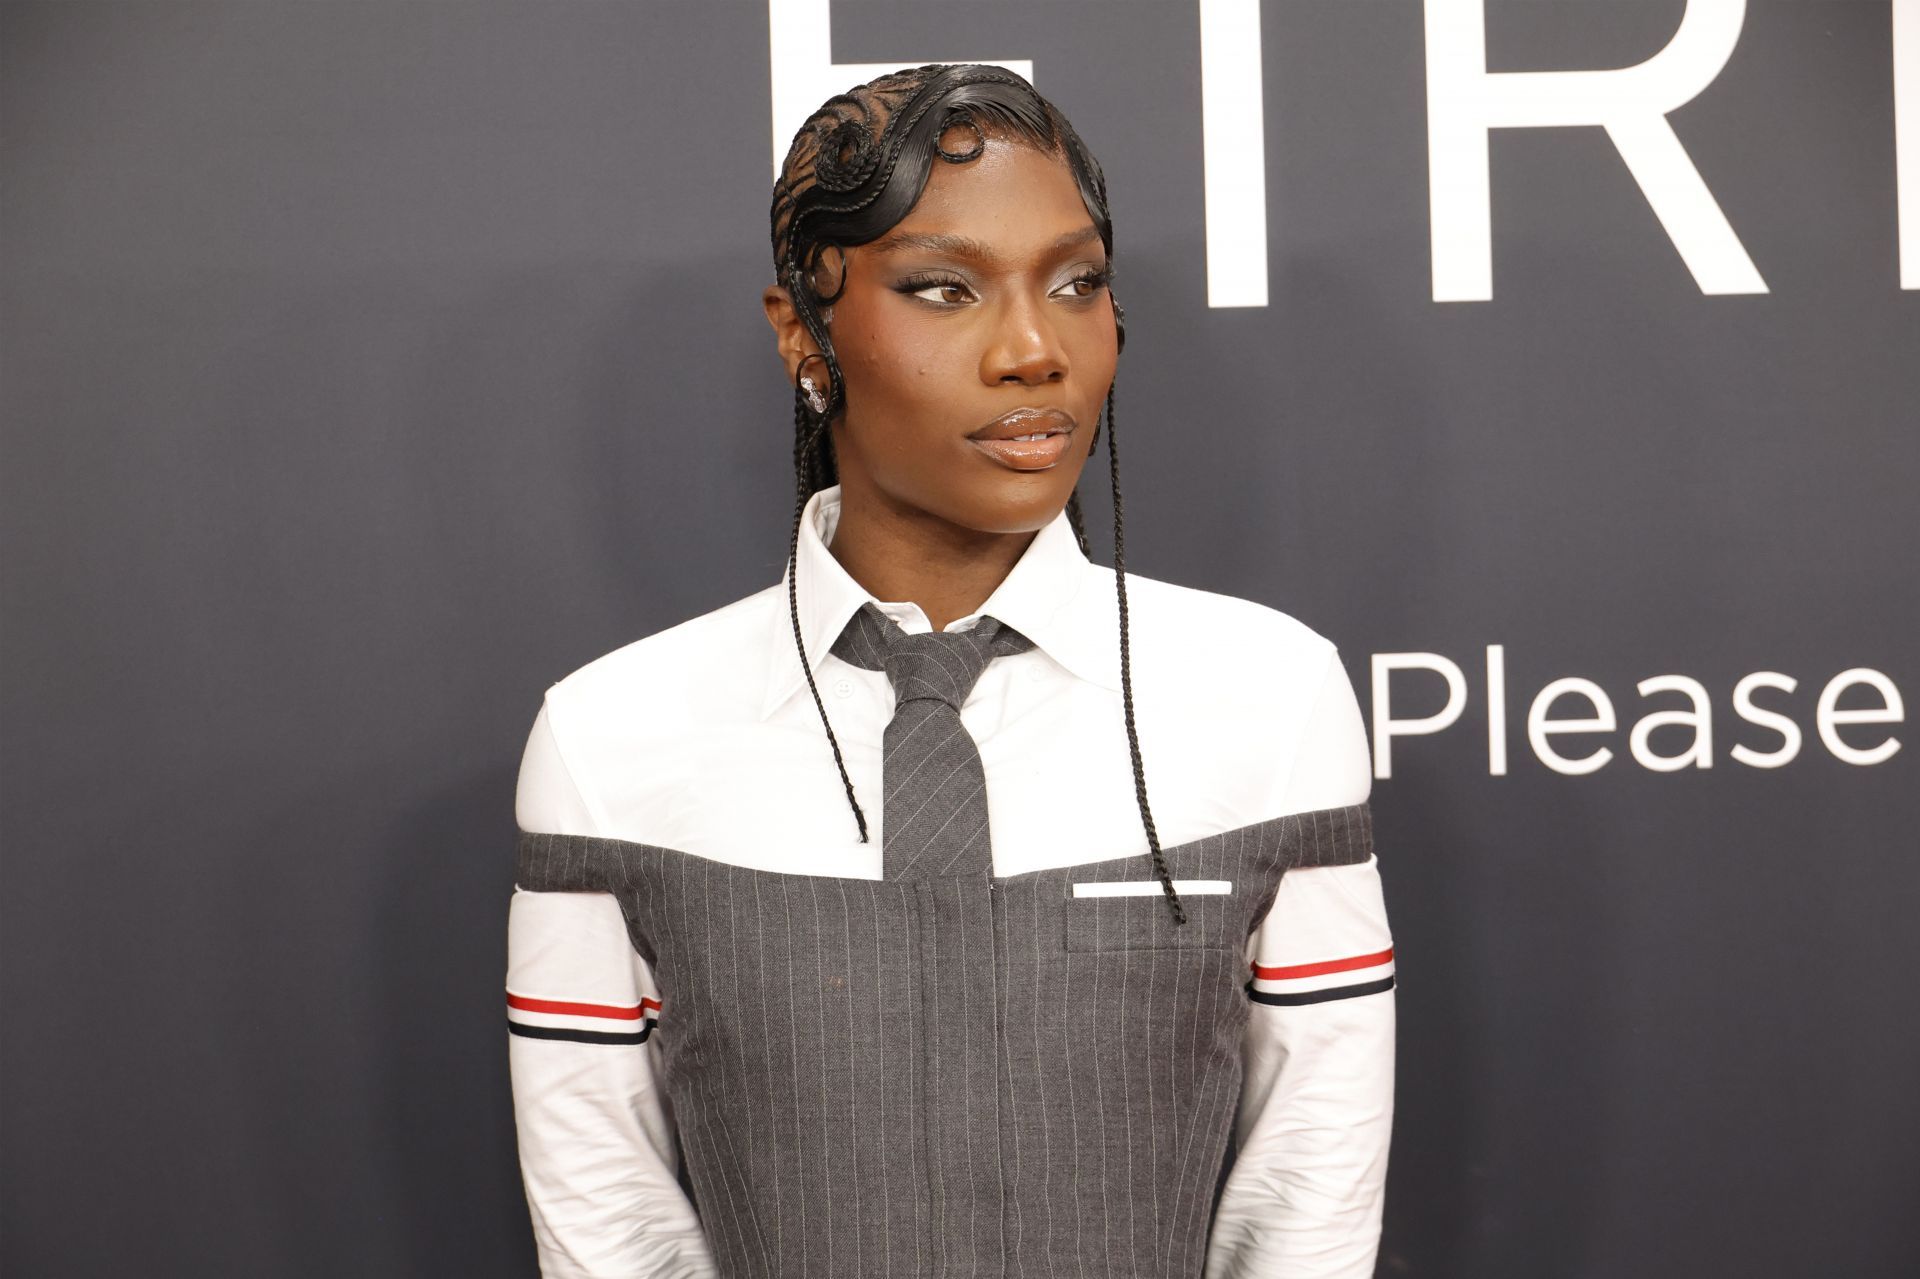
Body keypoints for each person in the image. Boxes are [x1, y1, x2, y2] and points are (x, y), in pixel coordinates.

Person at [506, 63, 1395, 1279]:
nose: (1036, 351)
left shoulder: (1271, 700)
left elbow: (1306, 1201)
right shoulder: (611, 741)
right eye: (944, 289)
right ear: (801, 338)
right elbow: (609, 1225)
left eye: (1077, 283)